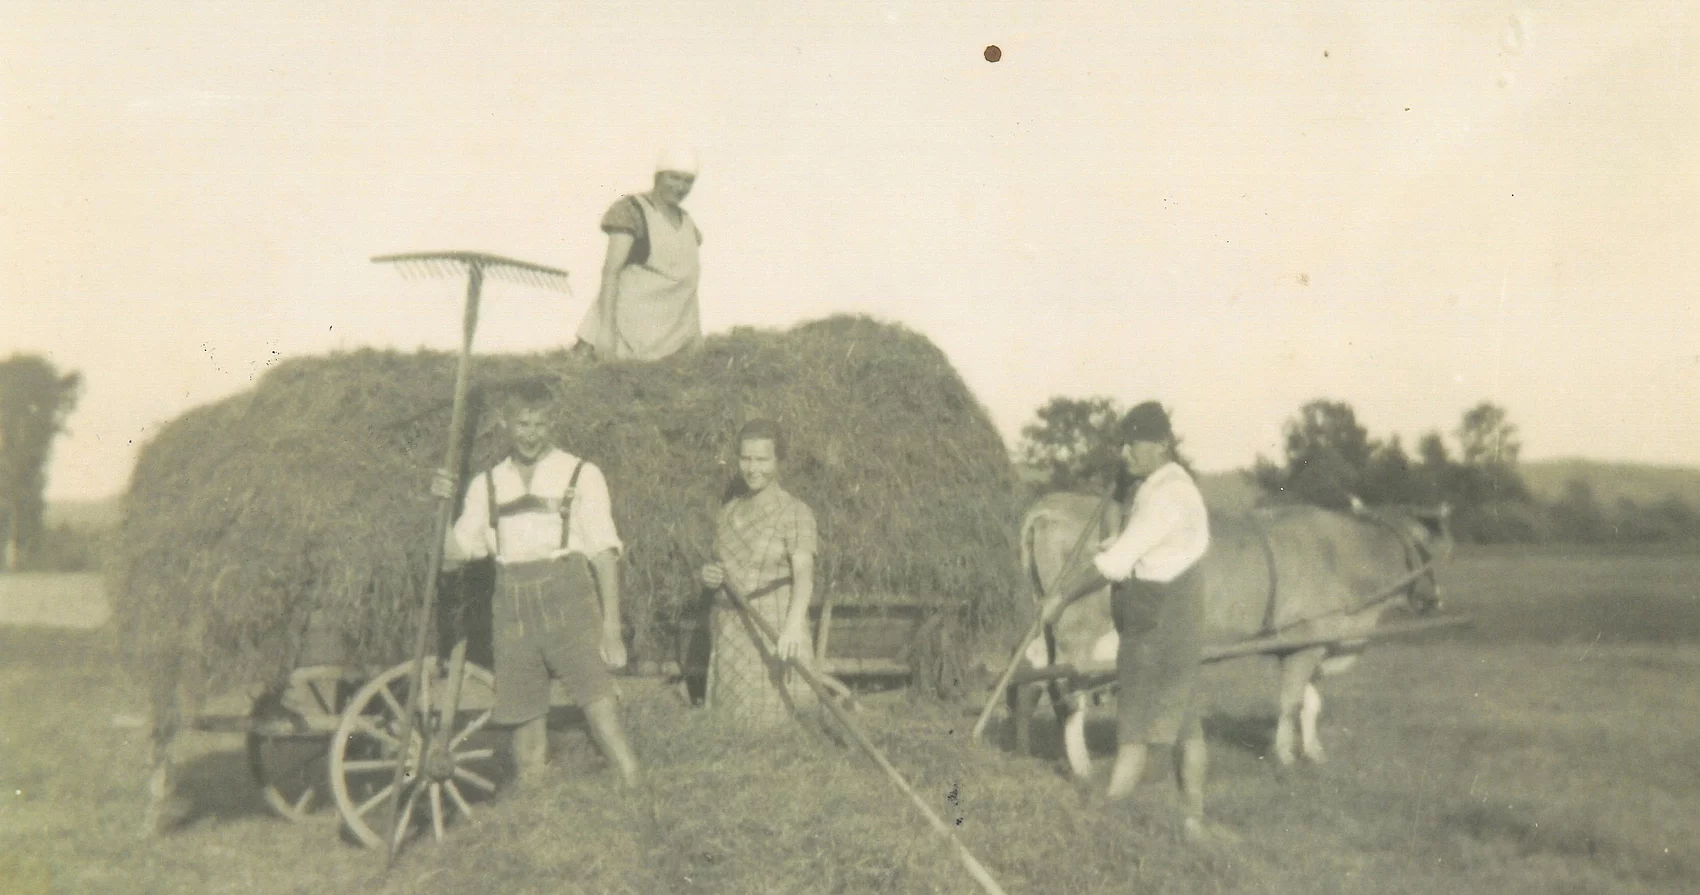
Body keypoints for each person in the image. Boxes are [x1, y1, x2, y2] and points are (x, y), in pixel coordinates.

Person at [434, 384, 641, 788]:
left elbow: (603, 553)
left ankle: (637, 807)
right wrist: (440, 507)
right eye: (522, 424)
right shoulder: (486, 484)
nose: (531, 434)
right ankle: (534, 827)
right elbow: (454, 555)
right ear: (505, 424)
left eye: (540, 424)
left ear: (552, 423)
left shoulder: (581, 473)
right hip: (511, 609)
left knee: (603, 716)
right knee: (526, 736)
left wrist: (611, 629)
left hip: (570, 600)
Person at [1040, 401, 1221, 841]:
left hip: (1153, 628)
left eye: (1132, 442)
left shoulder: (1165, 495)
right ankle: (1193, 819)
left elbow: (1115, 565)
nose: (1124, 452)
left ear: (1160, 444)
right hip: (1181, 626)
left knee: (1133, 734)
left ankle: (1104, 826)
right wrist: (1118, 537)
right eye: (1122, 442)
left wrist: (1061, 599)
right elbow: (1144, 542)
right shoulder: (1170, 488)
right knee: (1187, 726)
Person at [698, 419, 819, 727]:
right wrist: (711, 576)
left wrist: (791, 628)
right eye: (746, 459)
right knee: (731, 730)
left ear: (779, 461)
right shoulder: (727, 513)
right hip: (731, 630)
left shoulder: (796, 512)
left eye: (762, 459)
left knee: (779, 725)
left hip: (774, 626)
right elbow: (724, 565)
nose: (753, 468)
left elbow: (804, 574)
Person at [572, 146, 704, 361]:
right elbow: (610, 273)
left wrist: (695, 335)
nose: (680, 187)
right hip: (623, 334)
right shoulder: (632, 212)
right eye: (674, 178)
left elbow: (688, 286)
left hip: (668, 339)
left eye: (688, 181)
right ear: (658, 177)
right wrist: (605, 333)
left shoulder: (689, 226)